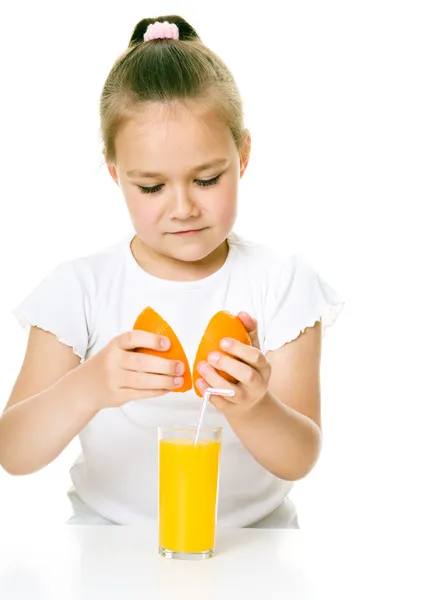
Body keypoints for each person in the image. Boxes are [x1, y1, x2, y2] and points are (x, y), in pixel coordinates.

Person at [0, 15, 343, 528]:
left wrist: (253, 406)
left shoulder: (281, 281)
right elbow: (14, 452)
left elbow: (299, 458)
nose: (182, 208)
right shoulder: (80, 289)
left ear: (242, 156)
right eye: (152, 188)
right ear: (116, 174)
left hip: (255, 547)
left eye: (206, 179)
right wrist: (90, 385)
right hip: (106, 546)